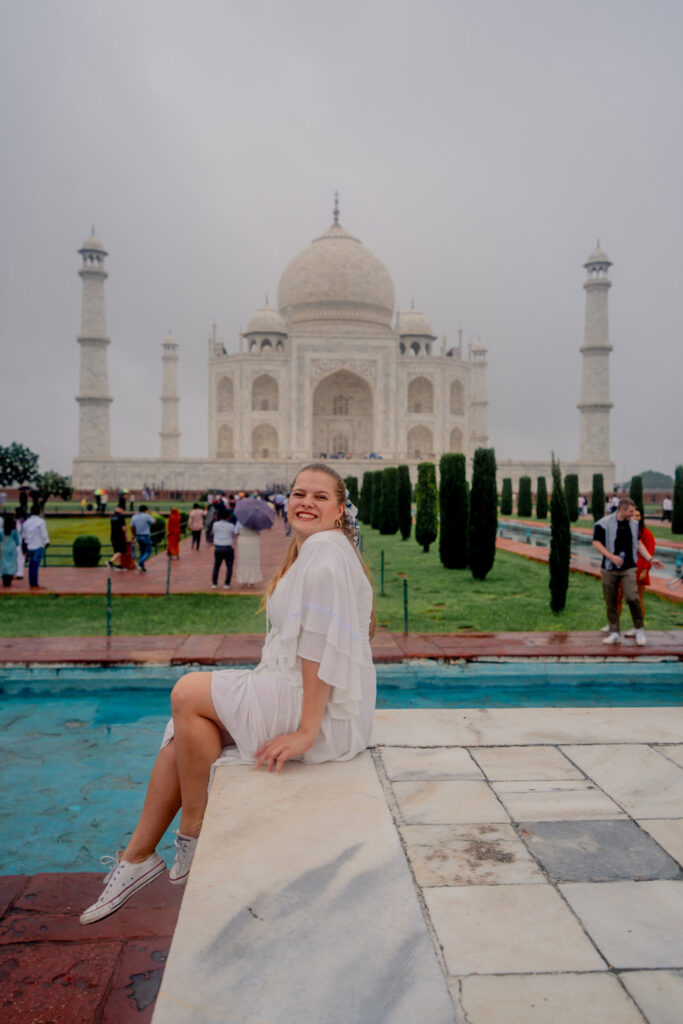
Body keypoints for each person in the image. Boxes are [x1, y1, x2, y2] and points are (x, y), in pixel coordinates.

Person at [79, 463, 375, 925]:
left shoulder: (323, 550)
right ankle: (137, 858)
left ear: (340, 510)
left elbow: (320, 643)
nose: (306, 503)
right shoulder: (317, 550)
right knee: (184, 729)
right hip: (305, 693)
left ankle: (194, 831)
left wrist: (306, 730)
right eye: (299, 493)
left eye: (320, 497)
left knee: (187, 691)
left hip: (317, 708)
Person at [593, 497, 658, 646]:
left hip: (629, 567)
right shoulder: (603, 523)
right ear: (622, 510)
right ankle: (615, 632)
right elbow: (596, 542)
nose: (632, 515)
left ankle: (639, 629)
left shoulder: (633, 524)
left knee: (632, 597)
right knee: (611, 600)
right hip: (609, 568)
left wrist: (650, 558)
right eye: (630, 512)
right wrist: (611, 557)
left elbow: (638, 543)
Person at [210, 505, 240, 589]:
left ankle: (214, 583)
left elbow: (213, 533)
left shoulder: (215, 524)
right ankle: (227, 583)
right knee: (229, 566)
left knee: (216, 566)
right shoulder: (230, 526)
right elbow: (234, 535)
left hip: (218, 547)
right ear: (228, 517)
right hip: (227, 547)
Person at [22, 505, 50, 589]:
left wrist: (25, 549)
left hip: (29, 546)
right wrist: (46, 542)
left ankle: (32, 583)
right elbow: (43, 533)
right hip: (37, 546)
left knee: (31, 565)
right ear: (39, 512)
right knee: (35, 565)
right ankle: (34, 584)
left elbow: (24, 536)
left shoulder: (26, 522)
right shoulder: (41, 522)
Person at [130, 505, 155, 573]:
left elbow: (131, 526)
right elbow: (153, 522)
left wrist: (133, 534)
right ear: (145, 510)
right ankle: (140, 563)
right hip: (145, 536)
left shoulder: (134, 516)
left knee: (142, 552)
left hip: (138, 536)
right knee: (149, 551)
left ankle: (142, 567)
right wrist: (150, 515)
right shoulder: (146, 516)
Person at [0, 513, 20, 587]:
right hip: (12, 548)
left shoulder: (1, 531)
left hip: (4, 549)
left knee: (4, 564)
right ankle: (9, 580)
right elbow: (17, 542)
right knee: (11, 564)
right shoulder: (14, 531)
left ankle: (5, 580)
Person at [107, 506, 129, 571]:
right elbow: (123, 527)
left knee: (117, 551)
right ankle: (110, 562)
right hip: (120, 536)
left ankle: (118, 566)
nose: (123, 511)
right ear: (120, 509)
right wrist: (126, 534)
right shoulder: (121, 516)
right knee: (122, 550)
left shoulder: (112, 516)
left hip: (113, 536)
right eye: (123, 510)